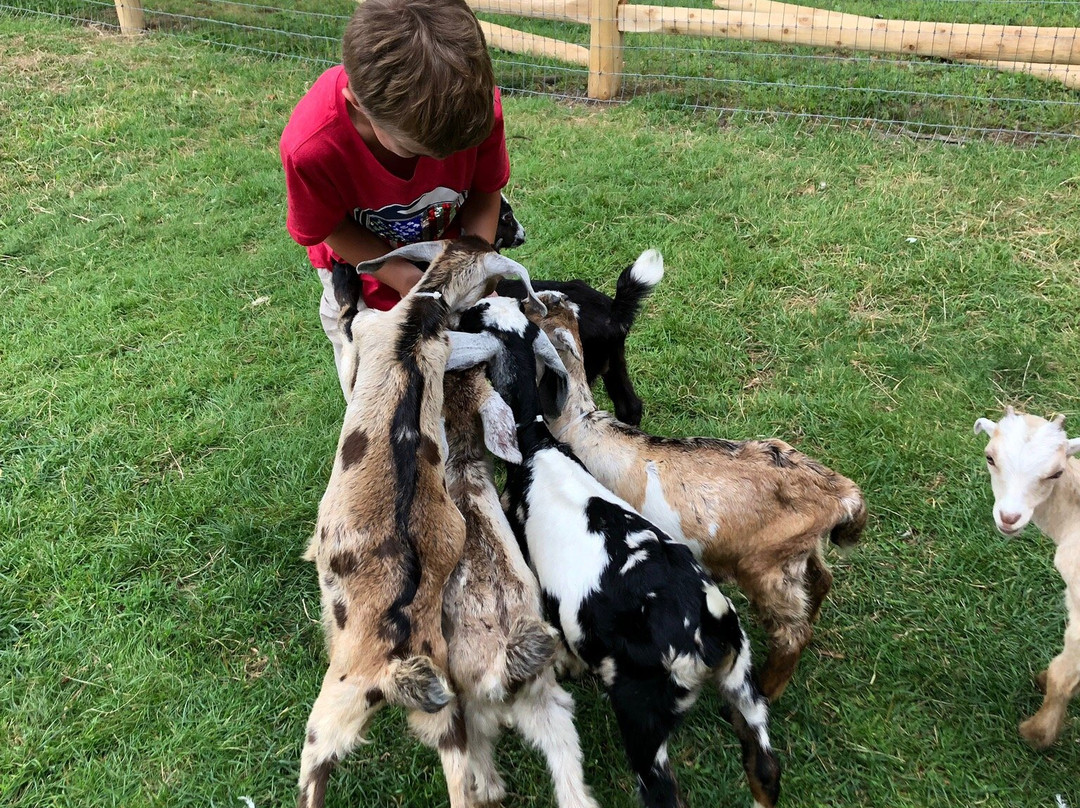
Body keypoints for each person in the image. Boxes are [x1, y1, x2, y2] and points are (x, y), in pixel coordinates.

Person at [279, 0, 523, 395]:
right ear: (359, 103)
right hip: (360, 266)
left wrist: (474, 269)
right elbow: (329, 228)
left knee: (469, 368)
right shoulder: (312, 147)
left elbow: (483, 191)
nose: (439, 163)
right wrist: (403, 276)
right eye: (419, 152)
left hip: (451, 247)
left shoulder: (475, 110)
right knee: (380, 383)